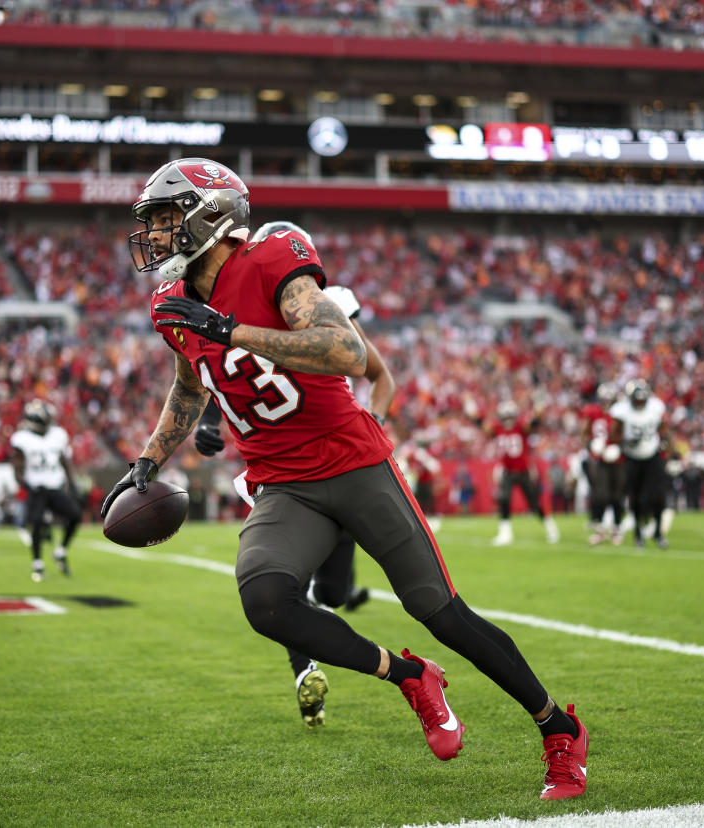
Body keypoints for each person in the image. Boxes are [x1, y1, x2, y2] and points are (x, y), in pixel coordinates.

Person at [103, 158, 588, 800]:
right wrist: (148, 460)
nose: (156, 236)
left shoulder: (275, 255)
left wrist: (233, 330)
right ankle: (410, 676)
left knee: (438, 610)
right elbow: (190, 384)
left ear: (211, 216)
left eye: (167, 219)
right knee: (267, 602)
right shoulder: (171, 304)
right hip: (282, 482)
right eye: (155, 223)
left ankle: (558, 728)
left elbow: (347, 352)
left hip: (354, 462)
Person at [193, 219, 389, 729]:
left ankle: (322, 643)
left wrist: (375, 424)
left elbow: (376, 372)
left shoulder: (327, 304)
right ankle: (304, 670)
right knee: (279, 585)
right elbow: (226, 370)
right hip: (284, 465)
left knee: (332, 596)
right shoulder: (248, 300)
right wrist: (211, 420)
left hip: (346, 456)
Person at [467, 396, 560, 547]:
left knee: (534, 504)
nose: (507, 420)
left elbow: (533, 423)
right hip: (507, 472)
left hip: (523, 471)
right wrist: (474, 414)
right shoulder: (497, 428)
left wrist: (539, 408)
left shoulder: (521, 426)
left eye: (510, 416)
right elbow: (484, 427)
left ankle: (550, 527)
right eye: (505, 417)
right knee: (504, 500)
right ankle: (505, 533)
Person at [10, 400, 82, 580]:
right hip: (37, 488)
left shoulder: (57, 435)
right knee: (36, 523)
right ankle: (37, 564)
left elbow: (64, 461)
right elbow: (17, 468)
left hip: (55, 487)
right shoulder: (22, 439)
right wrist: (26, 485)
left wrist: (72, 482)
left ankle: (61, 550)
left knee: (75, 515)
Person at [610, 379, 671, 548]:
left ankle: (658, 532)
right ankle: (638, 532)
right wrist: (627, 441)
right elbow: (614, 435)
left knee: (658, 495)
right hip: (632, 457)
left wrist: (666, 443)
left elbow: (663, 428)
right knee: (636, 497)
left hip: (652, 455)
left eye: (642, 400)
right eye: (636, 400)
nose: (639, 403)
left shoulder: (655, 408)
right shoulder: (622, 411)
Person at [580, 382, 626, 545]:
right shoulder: (593, 412)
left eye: (609, 399)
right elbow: (584, 434)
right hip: (600, 460)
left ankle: (617, 528)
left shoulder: (620, 413)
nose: (606, 403)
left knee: (617, 496)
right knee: (600, 495)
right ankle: (599, 529)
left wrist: (619, 448)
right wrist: (591, 446)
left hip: (618, 460)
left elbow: (626, 435)